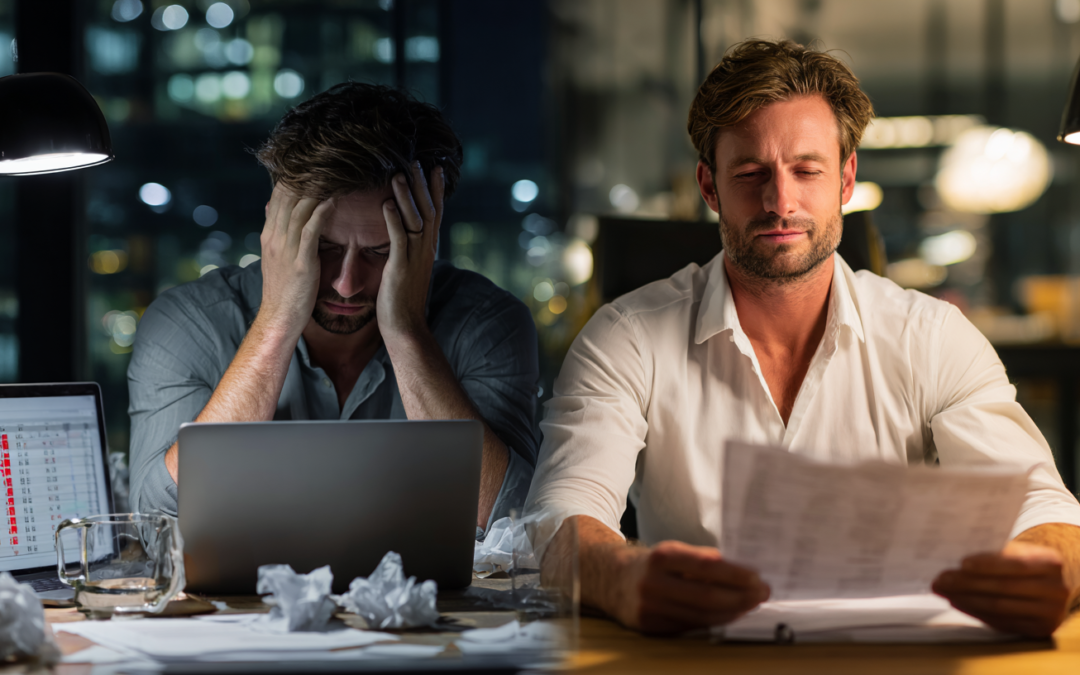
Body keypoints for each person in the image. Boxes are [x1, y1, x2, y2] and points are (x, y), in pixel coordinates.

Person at [524, 39, 1080, 637]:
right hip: (696, 657)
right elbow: (558, 516)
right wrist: (620, 576)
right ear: (710, 188)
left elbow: (1046, 506)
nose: (780, 201)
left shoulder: (934, 337)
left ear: (845, 180)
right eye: (750, 173)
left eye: (806, 170)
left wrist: (1044, 565)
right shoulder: (625, 338)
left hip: (893, 658)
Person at [128, 83, 539, 536]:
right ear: (274, 230)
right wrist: (276, 322)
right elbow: (155, 525)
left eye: (380, 252)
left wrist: (406, 331)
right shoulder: (187, 325)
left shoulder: (488, 325)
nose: (347, 283)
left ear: (428, 242)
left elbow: (516, 525)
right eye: (322, 248)